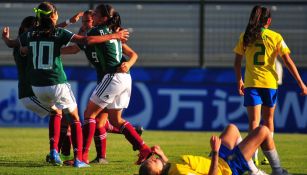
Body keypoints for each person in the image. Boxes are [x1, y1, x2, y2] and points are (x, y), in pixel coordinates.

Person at [2, 2, 129, 168]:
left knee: (57, 114)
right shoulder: (58, 32)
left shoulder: (30, 33)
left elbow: (12, 43)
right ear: (53, 15)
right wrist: (114, 36)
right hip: (56, 83)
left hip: (37, 87)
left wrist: (5, 39)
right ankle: (78, 159)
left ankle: (55, 151)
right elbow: (86, 40)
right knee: (75, 119)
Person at [61, 9, 143, 164]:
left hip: (113, 80)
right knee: (102, 122)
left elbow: (133, 54)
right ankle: (104, 156)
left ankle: (89, 157)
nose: (84, 24)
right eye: (83, 21)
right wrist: (54, 52)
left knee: (94, 118)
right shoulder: (89, 38)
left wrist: (128, 64)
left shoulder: (104, 35)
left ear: (96, 21)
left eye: (88, 21)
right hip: (105, 81)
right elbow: (73, 49)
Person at [233, 5, 307, 165]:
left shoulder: (245, 37)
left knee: (254, 121)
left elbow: (237, 62)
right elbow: (287, 61)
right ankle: (268, 155)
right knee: (269, 120)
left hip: (252, 84)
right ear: (269, 21)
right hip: (269, 84)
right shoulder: (275, 37)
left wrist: (239, 80)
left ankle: (252, 157)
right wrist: (301, 82)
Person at [80, 4, 152, 165]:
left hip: (113, 76)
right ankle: (144, 149)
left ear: (104, 18)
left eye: (96, 15)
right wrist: (115, 36)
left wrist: (114, 36)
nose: (93, 17)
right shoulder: (114, 32)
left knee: (89, 114)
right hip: (125, 78)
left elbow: (88, 40)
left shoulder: (99, 31)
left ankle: (82, 157)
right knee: (115, 120)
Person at [139, 124, 290, 175]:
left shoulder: (169, 168)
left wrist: (162, 155)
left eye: (150, 159)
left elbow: (175, 165)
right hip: (227, 167)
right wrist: (216, 151)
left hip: (216, 159)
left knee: (232, 129)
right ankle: (277, 171)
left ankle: (253, 171)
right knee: (263, 131)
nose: (152, 159)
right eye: (151, 163)